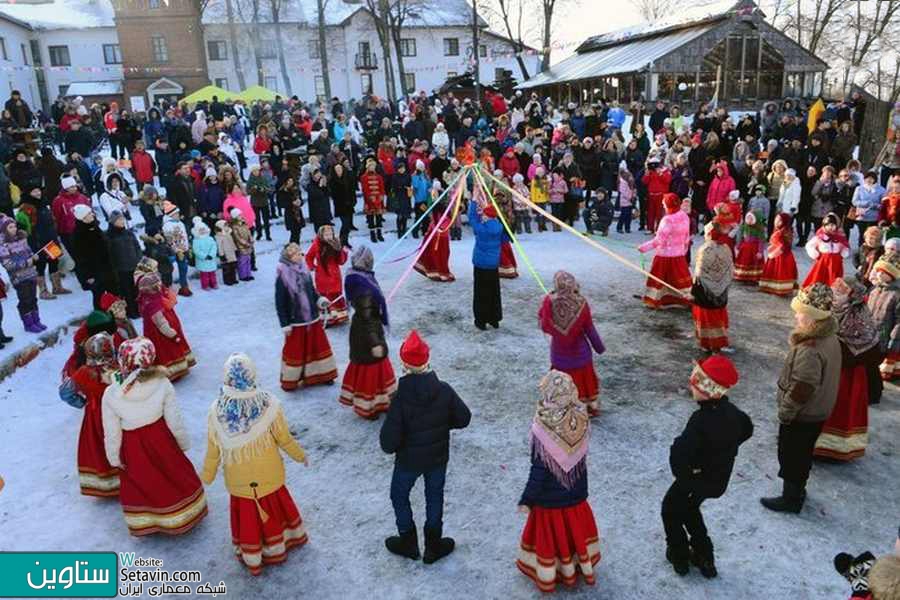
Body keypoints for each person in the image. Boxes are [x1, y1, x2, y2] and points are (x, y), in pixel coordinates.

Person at [200, 353, 310, 576]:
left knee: (248, 520)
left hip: (239, 485)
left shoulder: (216, 411)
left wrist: (207, 475)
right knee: (275, 510)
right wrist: (300, 455)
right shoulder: (269, 404)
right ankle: (282, 543)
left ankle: (252, 553)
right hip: (270, 478)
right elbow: (284, 439)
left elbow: (213, 450)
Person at [379, 330, 471, 564]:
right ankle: (433, 546)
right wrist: (441, 424)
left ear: (404, 365)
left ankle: (408, 542)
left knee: (398, 495)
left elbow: (388, 444)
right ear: (427, 361)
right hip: (438, 458)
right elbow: (463, 418)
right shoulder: (444, 390)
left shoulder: (399, 400)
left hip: (408, 462)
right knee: (434, 497)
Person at [102, 337, 208, 536]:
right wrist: (181, 442)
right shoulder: (162, 383)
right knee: (174, 472)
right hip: (161, 438)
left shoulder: (111, 393)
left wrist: (114, 457)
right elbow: (174, 417)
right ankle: (185, 512)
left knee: (144, 481)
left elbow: (111, 430)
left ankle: (151, 521)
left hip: (133, 445)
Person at [662, 355, 752, 578]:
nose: (691, 388)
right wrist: (727, 450)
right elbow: (748, 429)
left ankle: (680, 555)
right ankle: (705, 558)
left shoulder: (700, 420)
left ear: (706, 389)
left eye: (695, 385)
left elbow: (680, 454)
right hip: (717, 481)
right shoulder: (735, 415)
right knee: (691, 509)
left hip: (695, 479)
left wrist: (686, 471)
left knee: (670, 510)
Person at [515, 370, 603, 593]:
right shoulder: (580, 419)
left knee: (554, 540)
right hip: (576, 494)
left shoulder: (542, 428)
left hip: (549, 502)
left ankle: (554, 572)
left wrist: (527, 499)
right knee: (574, 534)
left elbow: (539, 471)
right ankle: (577, 565)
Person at [761, 283, 841, 514]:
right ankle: (798, 490)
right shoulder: (830, 337)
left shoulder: (810, 348)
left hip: (803, 414)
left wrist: (786, 412)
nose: (796, 316)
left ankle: (791, 498)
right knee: (803, 453)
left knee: (791, 455)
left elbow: (803, 387)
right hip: (818, 411)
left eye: (800, 312)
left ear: (813, 318)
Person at [813, 277, 880, 461]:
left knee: (840, 405)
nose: (835, 295)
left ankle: (836, 448)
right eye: (835, 291)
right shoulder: (831, 307)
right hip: (830, 363)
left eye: (840, 292)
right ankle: (814, 441)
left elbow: (869, 343)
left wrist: (841, 353)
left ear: (851, 296)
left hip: (848, 371)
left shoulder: (859, 314)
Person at [59, 332, 121, 498]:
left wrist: (81, 402)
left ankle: (107, 483)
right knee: (119, 443)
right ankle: (126, 479)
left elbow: (65, 392)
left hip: (95, 416)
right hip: (117, 412)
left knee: (98, 446)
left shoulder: (84, 372)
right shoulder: (117, 368)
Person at [340, 246, 397, 419]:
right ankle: (368, 407)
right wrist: (375, 342)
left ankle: (380, 402)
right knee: (371, 372)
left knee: (373, 369)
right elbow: (368, 318)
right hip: (367, 335)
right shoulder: (365, 287)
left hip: (361, 331)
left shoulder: (358, 278)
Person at [537, 271, 605, 416]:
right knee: (584, 383)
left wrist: (544, 307)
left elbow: (544, 325)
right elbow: (589, 328)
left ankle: (563, 406)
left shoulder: (549, 301)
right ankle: (586, 407)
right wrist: (599, 347)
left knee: (562, 382)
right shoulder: (582, 302)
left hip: (559, 355)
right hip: (581, 354)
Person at [275, 243, 338, 391]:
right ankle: (292, 379)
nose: (300, 256)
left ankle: (324, 375)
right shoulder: (282, 277)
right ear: (289, 258)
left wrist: (320, 300)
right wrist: (285, 324)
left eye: (300, 253)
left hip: (313, 319)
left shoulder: (305, 271)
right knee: (296, 351)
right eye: (296, 254)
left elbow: (312, 291)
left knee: (318, 347)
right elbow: (280, 303)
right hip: (295, 322)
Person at [135, 267, 195, 381]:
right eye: (158, 285)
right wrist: (172, 334)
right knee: (168, 352)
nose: (160, 286)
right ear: (152, 288)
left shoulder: (148, 299)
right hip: (162, 336)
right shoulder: (153, 305)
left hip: (155, 332)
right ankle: (172, 371)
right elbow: (161, 324)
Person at [638, 193, 692, 309]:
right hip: (678, 255)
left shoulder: (667, 220)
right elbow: (687, 236)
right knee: (678, 277)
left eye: (664, 204)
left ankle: (656, 299)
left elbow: (658, 240)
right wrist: (683, 250)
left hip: (664, 255)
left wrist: (643, 247)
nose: (663, 205)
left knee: (660, 277)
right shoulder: (684, 216)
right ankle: (683, 299)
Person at [692, 222, 735, 353]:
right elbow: (730, 269)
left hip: (705, 293)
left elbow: (699, 273)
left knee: (706, 317)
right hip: (721, 290)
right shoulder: (726, 248)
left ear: (709, 234)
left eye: (706, 232)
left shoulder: (705, 249)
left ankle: (706, 343)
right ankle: (719, 341)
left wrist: (693, 290)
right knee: (718, 317)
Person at [0, 214, 44, 333]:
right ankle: (28, 323)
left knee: (33, 298)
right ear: (4, 230)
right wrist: (25, 262)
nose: (14, 229)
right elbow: (8, 264)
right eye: (10, 227)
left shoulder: (22, 238)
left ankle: (36, 320)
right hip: (18, 277)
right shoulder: (3, 245)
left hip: (31, 274)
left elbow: (28, 251)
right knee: (25, 300)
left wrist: (33, 256)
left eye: (14, 226)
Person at [469, 198, 505, 330]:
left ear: (487, 216)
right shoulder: (499, 226)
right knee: (494, 292)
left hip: (481, 265)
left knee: (480, 293)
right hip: (493, 264)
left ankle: (481, 320)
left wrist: (473, 201)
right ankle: (494, 319)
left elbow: (472, 217)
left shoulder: (482, 229)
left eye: (484, 214)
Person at [305, 225, 349, 326]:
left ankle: (339, 316)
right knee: (325, 295)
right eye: (326, 234)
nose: (329, 236)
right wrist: (312, 266)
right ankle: (327, 318)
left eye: (330, 234)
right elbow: (309, 256)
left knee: (336, 294)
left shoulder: (336, 244)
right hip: (322, 275)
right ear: (321, 235)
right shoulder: (317, 244)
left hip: (334, 275)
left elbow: (341, 261)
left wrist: (341, 252)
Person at [867, 254, 900, 383]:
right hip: (870, 333)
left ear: (892, 275)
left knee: (875, 366)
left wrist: (893, 341)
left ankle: (874, 389)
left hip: (884, 336)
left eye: (883, 272)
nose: (879, 275)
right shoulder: (876, 289)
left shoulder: (896, 294)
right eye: (878, 271)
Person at [106, 210, 143, 319]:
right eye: (119, 220)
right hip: (122, 269)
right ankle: (131, 311)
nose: (122, 221)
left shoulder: (129, 233)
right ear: (113, 222)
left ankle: (138, 309)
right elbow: (110, 255)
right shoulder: (109, 236)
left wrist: (138, 259)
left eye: (122, 219)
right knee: (127, 292)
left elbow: (137, 247)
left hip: (134, 266)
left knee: (136, 290)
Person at [414, 198, 455, 283]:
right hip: (435, 238)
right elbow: (433, 224)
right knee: (435, 255)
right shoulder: (436, 215)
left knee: (441, 255)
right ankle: (436, 271)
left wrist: (439, 228)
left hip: (441, 239)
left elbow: (445, 224)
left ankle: (441, 272)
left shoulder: (445, 215)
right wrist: (429, 231)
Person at [803, 212, 850, 287]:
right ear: (824, 226)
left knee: (834, 279)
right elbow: (809, 245)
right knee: (819, 278)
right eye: (828, 225)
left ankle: (832, 293)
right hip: (823, 261)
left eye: (833, 225)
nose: (830, 227)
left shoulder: (840, 237)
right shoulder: (820, 236)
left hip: (836, 262)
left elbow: (845, 246)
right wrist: (815, 254)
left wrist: (844, 252)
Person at [759, 213, 798, 296]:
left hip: (780, 256)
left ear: (785, 222)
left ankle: (779, 288)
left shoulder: (782, 232)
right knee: (775, 270)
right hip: (780, 254)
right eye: (776, 219)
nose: (776, 222)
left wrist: (773, 252)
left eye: (779, 220)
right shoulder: (782, 230)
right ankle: (776, 287)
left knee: (780, 271)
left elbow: (782, 246)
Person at [360, 158, 387, 243]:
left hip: (379, 200)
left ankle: (379, 234)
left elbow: (382, 188)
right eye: (371, 166)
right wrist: (371, 199)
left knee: (379, 218)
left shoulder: (379, 177)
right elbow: (365, 190)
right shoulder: (363, 177)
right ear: (367, 167)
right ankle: (372, 235)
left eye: (373, 166)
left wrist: (381, 196)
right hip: (370, 201)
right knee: (371, 219)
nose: (372, 168)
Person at [191, 218, 218, 291]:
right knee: (204, 274)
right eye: (200, 230)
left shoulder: (210, 238)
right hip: (203, 260)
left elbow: (214, 246)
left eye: (203, 229)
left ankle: (214, 283)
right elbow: (196, 250)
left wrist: (211, 254)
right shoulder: (196, 241)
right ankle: (205, 285)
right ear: (197, 231)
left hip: (211, 259)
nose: (202, 231)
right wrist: (204, 256)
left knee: (212, 273)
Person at [229, 208, 254, 282]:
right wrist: (245, 243)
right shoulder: (234, 226)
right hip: (241, 246)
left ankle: (248, 274)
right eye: (239, 215)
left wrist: (251, 239)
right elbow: (237, 237)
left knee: (248, 260)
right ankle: (243, 275)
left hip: (248, 244)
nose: (241, 216)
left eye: (240, 214)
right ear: (235, 217)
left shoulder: (244, 223)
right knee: (242, 261)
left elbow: (248, 231)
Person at [215, 219, 238, 286]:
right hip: (225, 254)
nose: (227, 227)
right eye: (225, 226)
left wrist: (235, 250)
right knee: (226, 268)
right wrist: (222, 255)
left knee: (233, 267)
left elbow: (232, 243)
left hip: (231, 253)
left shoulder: (228, 234)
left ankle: (233, 278)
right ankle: (227, 280)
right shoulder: (219, 237)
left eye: (227, 225)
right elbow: (220, 247)